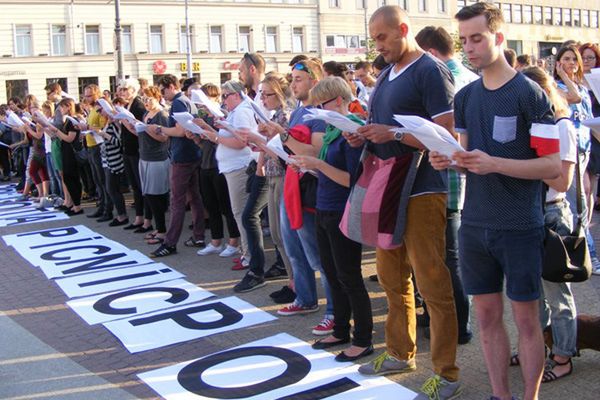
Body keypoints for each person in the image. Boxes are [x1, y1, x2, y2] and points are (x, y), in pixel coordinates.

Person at [431, 3, 561, 399]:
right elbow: (470, 157)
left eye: (477, 38)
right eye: (464, 40)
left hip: (520, 224)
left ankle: (529, 396)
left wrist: (493, 164)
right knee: (486, 317)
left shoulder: (530, 93)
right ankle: (500, 395)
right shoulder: (467, 96)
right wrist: (450, 158)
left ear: (498, 39)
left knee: (526, 320)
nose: (469, 47)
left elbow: (553, 166)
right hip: (475, 224)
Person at [349, 7, 459, 400]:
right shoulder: (385, 73)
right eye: (373, 38)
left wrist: (390, 131)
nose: (377, 46)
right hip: (387, 184)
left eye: (381, 37)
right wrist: (363, 134)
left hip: (422, 187)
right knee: (391, 276)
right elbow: (387, 132)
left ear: (403, 30)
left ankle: (446, 373)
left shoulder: (430, 70)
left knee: (432, 282)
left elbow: (447, 134)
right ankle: (399, 352)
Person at [292, 76, 373, 362]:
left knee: (349, 276)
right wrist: (309, 165)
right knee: (332, 273)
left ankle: (363, 339)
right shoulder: (330, 132)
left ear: (337, 101)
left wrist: (317, 164)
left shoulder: (350, 131)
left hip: (342, 209)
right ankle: (340, 328)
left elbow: (351, 179)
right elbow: (329, 171)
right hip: (324, 206)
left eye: (320, 106)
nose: (316, 114)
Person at [259, 59, 335, 336]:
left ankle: (334, 311)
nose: (293, 84)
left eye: (298, 79)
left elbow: (314, 152)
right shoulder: (301, 110)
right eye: (291, 79)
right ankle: (304, 298)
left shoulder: (319, 112)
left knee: (319, 257)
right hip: (293, 183)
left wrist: (283, 135)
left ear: (314, 80)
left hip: (310, 191)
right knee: (294, 249)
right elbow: (293, 149)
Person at [415, 24, 479, 345]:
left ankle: (458, 326)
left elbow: (448, 132)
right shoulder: (468, 75)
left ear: (429, 53)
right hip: (458, 181)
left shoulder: (443, 75)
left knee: (445, 258)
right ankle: (451, 320)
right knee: (447, 256)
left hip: (444, 178)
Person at [520, 66, 578, 383]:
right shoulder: (535, 123)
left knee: (557, 294)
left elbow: (563, 180)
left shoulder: (562, 125)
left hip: (552, 213)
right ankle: (538, 348)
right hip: (528, 212)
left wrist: (522, 165)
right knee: (532, 293)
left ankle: (564, 353)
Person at [192, 81, 255, 269]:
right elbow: (230, 138)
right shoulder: (237, 111)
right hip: (231, 166)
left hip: (238, 166)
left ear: (236, 95)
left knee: (241, 213)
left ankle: (249, 255)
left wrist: (215, 136)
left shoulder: (242, 111)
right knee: (239, 212)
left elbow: (241, 142)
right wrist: (210, 130)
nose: (223, 100)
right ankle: (247, 253)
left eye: (226, 95)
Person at [146, 74, 205, 257]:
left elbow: (179, 131)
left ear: (171, 86)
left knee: (177, 201)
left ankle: (170, 243)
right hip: (192, 154)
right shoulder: (185, 100)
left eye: (163, 90)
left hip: (182, 156)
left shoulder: (179, 102)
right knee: (194, 197)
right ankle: (198, 236)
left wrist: (159, 128)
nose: (162, 95)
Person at [553, 45, 600, 274]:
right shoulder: (557, 87)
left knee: (587, 196)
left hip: (585, 149)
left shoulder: (582, 86)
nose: (571, 63)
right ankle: (585, 253)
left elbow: (589, 119)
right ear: (559, 62)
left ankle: (582, 248)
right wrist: (562, 74)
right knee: (578, 200)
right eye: (567, 59)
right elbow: (574, 97)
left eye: (574, 59)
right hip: (569, 151)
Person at [256, 73, 296, 304]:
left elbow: (286, 151)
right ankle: (293, 280)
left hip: (283, 175)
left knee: (283, 234)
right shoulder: (274, 115)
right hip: (273, 174)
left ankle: (296, 282)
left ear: (280, 94)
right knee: (277, 232)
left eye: (267, 94)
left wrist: (259, 139)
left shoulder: (286, 116)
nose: (262, 98)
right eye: (261, 93)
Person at [190, 83, 241, 257]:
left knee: (226, 206)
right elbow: (205, 143)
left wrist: (205, 127)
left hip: (220, 165)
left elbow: (223, 138)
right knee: (210, 205)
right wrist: (195, 136)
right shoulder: (204, 116)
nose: (201, 107)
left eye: (203, 101)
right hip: (205, 163)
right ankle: (215, 241)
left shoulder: (223, 115)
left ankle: (233, 241)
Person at [127, 86, 171, 244]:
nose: (146, 102)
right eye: (144, 99)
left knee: (156, 195)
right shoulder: (146, 113)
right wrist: (132, 126)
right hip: (144, 156)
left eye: (149, 98)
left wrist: (145, 129)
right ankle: (158, 228)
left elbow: (164, 138)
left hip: (157, 158)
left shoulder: (162, 114)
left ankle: (162, 231)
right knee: (148, 193)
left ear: (157, 97)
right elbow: (141, 134)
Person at [117, 78, 153, 231]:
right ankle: (139, 217)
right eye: (121, 89)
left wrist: (124, 120)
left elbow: (140, 130)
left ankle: (147, 220)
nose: (121, 92)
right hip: (128, 149)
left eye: (125, 89)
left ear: (133, 90)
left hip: (137, 150)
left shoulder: (137, 105)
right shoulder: (128, 105)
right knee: (135, 187)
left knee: (142, 186)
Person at [47, 98, 85, 215]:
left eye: (62, 107)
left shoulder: (72, 121)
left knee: (72, 178)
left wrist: (56, 131)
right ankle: (73, 204)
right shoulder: (66, 121)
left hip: (72, 153)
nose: (60, 110)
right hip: (65, 151)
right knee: (68, 178)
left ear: (69, 107)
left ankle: (77, 205)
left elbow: (70, 138)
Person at [81, 84, 112, 222]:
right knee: (97, 179)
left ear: (97, 94)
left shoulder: (100, 107)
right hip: (90, 144)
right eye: (85, 96)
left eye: (89, 96)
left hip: (98, 145)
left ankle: (107, 208)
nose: (87, 98)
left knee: (102, 179)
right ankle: (101, 206)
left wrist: (87, 127)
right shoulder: (92, 108)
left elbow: (103, 127)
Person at [96, 98, 129, 227]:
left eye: (101, 110)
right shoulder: (109, 122)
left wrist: (104, 135)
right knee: (110, 188)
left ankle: (122, 215)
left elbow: (119, 142)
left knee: (112, 188)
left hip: (114, 161)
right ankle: (121, 214)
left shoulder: (115, 123)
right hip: (108, 160)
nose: (100, 113)